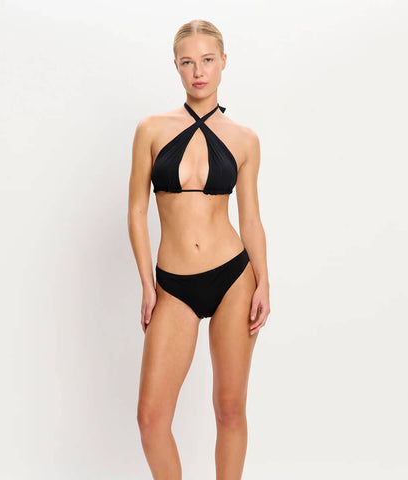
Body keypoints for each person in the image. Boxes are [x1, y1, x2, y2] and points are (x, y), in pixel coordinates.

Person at [128, 18, 270, 480]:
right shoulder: (151, 130)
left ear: (223, 62)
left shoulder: (244, 139)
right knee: (151, 419)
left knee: (230, 409)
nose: (199, 71)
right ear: (176, 66)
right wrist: (147, 284)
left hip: (233, 277)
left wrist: (264, 281)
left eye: (207, 60)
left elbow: (250, 218)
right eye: (188, 62)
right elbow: (136, 210)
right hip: (173, 285)